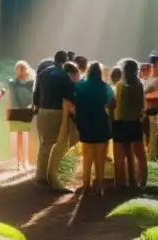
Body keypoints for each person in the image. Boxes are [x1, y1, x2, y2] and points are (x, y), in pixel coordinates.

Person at [34, 51, 75, 188]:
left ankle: (41, 174)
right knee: (59, 144)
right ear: (65, 60)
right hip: (57, 111)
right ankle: (54, 175)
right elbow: (69, 96)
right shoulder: (64, 76)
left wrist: (37, 106)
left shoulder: (43, 73)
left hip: (42, 110)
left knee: (45, 143)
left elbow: (36, 92)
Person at [74, 61, 114, 194]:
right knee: (100, 157)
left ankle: (86, 185)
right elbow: (110, 104)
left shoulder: (80, 86)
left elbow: (75, 102)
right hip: (100, 121)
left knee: (87, 156)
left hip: (85, 122)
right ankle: (100, 185)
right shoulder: (105, 87)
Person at [112, 59, 147, 189]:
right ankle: (142, 182)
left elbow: (115, 103)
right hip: (135, 123)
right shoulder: (139, 85)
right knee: (140, 155)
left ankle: (120, 183)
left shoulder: (120, 85)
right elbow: (141, 105)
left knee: (120, 156)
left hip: (120, 123)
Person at [8, 61, 35, 171]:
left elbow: (34, 95)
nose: (20, 72)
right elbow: (12, 97)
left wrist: (32, 106)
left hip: (30, 110)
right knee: (19, 137)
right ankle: (19, 161)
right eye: (18, 69)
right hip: (17, 110)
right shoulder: (13, 82)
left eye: (22, 69)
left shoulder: (32, 82)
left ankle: (28, 160)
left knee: (30, 136)